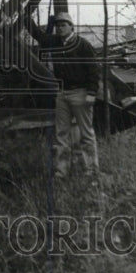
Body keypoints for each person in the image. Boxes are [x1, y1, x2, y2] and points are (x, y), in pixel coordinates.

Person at [26, 10, 100, 184]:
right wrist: (25, 18)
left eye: (63, 25)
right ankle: (61, 172)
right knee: (61, 134)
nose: (60, 28)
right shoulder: (55, 42)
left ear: (71, 26)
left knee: (86, 134)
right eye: (58, 25)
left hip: (81, 93)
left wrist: (91, 93)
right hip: (62, 94)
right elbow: (39, 36)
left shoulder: (83, 45)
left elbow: (94, 71)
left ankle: (91, 172)